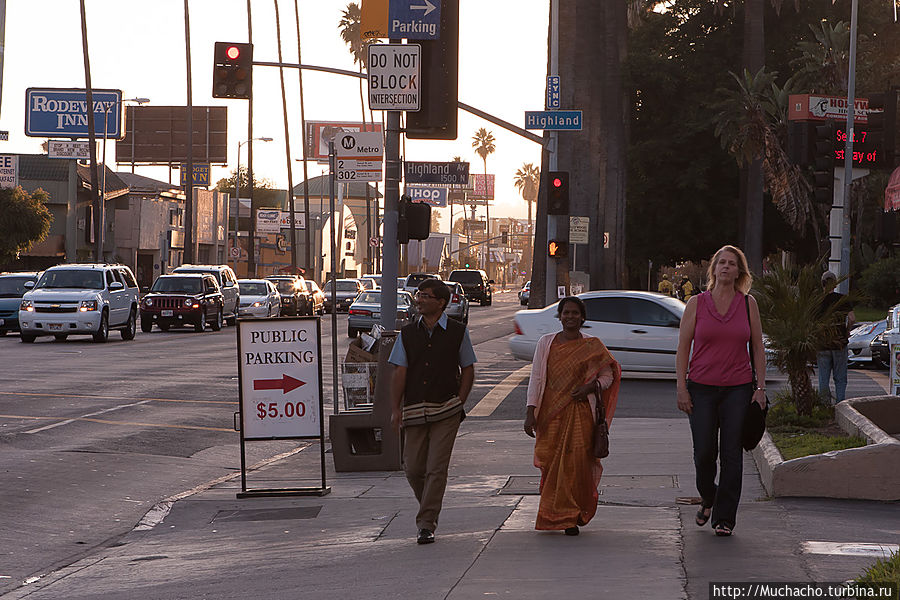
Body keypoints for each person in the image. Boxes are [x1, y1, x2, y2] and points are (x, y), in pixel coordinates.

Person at [675, 245, 766, 537]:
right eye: (721, 263)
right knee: (704, 453)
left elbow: (758, 349)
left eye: (732, 263)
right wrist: (681, 387)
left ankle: (724, 518)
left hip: (738, 389)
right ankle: (708, 496)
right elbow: (683, 348)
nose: (726, 267)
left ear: (739, 271)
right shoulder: (696, 304)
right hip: (700, 388)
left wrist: (760, 389)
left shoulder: (748, 303)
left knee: (731, 455)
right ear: (713, 269)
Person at [523, 296, 621, 536]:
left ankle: (572, 516)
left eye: (575, 313)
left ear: (582, 317)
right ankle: (552, 515)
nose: (570, 317)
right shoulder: (546, 343)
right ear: (560, 316)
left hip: (581, 414)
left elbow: (608, 377)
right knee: (553, 465)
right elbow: (536, 379)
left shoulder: (592, 346)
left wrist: (589, 387)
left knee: (577, 466)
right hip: (550, 414)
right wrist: (530, 412)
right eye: (566, 313)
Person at [389, 278, 476, 545]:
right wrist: (396, 408)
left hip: (446, 409)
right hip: (415, 408)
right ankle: (429, 504)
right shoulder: (406, 333)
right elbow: (399, 372)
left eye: (425, 296)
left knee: (436, 468)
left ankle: (426, 523)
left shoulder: (458, 331)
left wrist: (460, 401)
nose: (419, 300)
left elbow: (468, 369)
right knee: (414, 468)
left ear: (440, 302)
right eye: (418, 295)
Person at [817, 271, 855, 404]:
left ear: (822, 284)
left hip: (822, 344)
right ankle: (840, 404)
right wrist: (847, 331)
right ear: (835, 284)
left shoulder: (816, 302)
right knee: (840, 378)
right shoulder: (842, 299)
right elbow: (851, 318)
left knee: (823, 378)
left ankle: (824, 406)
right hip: (839, 343)